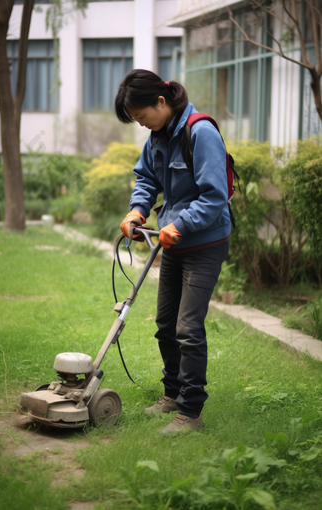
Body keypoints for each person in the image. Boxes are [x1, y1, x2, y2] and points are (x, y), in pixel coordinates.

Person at [115, 69, 230, 435]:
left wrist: (180, 224)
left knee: (188, 328)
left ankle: (191, 413)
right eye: (135, 120)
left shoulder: (201, 132)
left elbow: (215, 196)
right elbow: (147, 178)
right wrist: (137, 210)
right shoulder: (157, 137)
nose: (141, 124)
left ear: (161, 102)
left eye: (142, 116)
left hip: (205, 243)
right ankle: (173, 394)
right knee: (166, 325)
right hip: (173, 241)